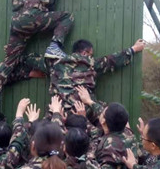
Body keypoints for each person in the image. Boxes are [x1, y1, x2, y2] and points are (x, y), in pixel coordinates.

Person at [17, 38, 146, 114]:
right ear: (85, 52)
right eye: (90, 54)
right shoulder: (91, 63)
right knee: (107, 112)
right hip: (83, 112)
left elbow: (31, 60)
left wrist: (26, 66)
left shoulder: (54, 63)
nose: (91, 56)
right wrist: (134, 49)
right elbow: (113, 60)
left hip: (58, 113)